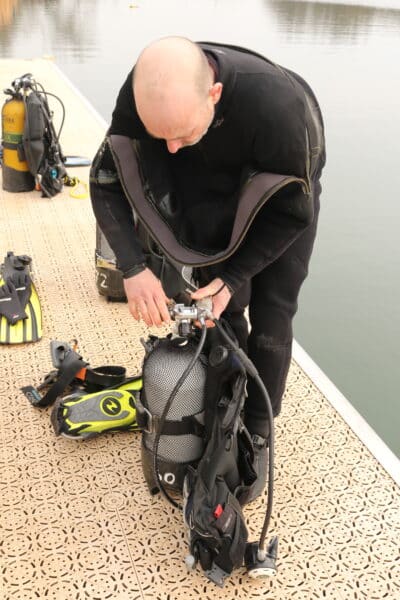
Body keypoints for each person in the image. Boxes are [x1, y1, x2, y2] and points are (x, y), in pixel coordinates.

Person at [90, 36, 325, 499]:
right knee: (218, 308)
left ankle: (257, 433)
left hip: (280, 188)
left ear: (213, 93)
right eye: (161, 137)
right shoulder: (145, 97)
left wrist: (237, 274)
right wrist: (134, 268)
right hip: (207, 181)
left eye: (180, 133)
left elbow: (292, 215)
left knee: (273, 315)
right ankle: (220, 409)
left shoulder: (278, 108)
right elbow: (105, 181)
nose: (170, 147)